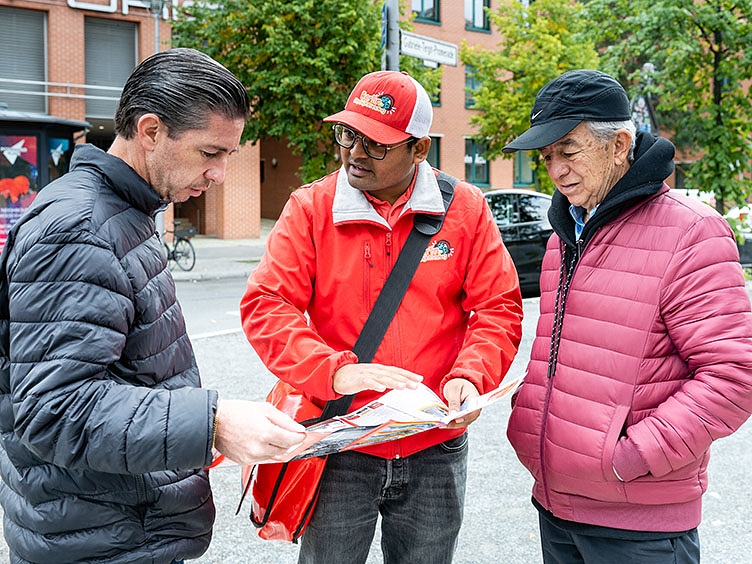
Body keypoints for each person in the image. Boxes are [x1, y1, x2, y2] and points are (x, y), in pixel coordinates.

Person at [0, 48, 305, 564]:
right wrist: (212, 424)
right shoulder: (81, 230)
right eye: (210, 153)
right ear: (150, 130)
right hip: (100, 539)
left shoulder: (125, 210)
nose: (220, 175)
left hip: (114, 526)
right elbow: (53, 410)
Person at [240, 70, 524, 564]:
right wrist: (334, 370)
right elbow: (267, 304)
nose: (354, 152)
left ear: (419, 149)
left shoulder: (466, 209)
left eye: (375, 143)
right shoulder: (312, 207)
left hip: (434, 444)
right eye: (348, 134)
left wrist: (471, 377)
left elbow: (497, 307)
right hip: (342, 441)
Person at [503, 69, 752, 564]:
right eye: (547, 156)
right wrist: (529, 416)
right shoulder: (563, 236)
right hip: (557, 506)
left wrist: (630, 456)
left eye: (568, 151)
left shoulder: (691, 232)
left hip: (637, 523)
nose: (555, 170)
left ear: (619, 144)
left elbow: (734, 375)